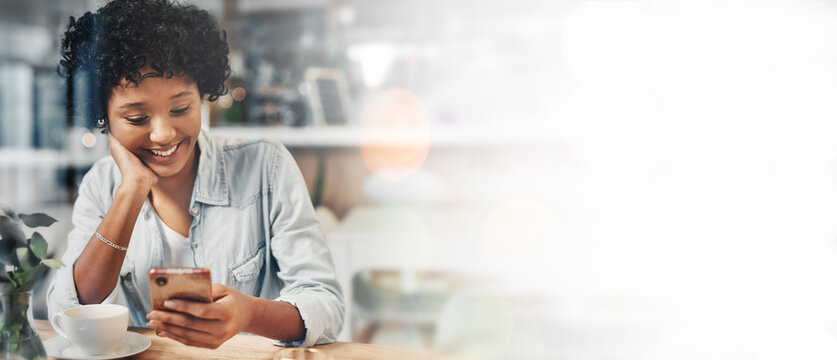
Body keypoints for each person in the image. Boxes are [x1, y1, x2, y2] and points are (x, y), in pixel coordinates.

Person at [46, 0, 344, 349]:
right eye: (137, 119)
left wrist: (249, 314)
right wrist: (131, 191)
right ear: (104, 118)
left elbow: (325, 304)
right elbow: (71, 309)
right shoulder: (102, 184)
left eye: (180, 109)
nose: (163, 134)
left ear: (202, 95)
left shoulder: (267, 166)